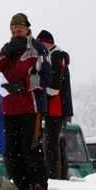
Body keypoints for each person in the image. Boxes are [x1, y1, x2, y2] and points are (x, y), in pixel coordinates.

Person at [0, 13, 51, 190]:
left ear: (27, 30)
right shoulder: (8, 49)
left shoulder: (38, 49)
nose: (16, 34)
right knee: (13, 150)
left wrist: (22, 85)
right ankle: (21, 185)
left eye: (19, 30)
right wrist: (7, 52)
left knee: (30, 146)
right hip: (9, 108)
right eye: (13, 31)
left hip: (31, 107)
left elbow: (45, 77)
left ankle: (38, 183)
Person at [37, 30, 73, 180]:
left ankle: (54, 177)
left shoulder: (55, 58)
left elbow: (55, 85)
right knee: (59, 143)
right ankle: (62, 176)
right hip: (62, 109)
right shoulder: (59, 57)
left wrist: (43, 102)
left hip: (56, 109)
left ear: (47, 43)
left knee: (51, 144)